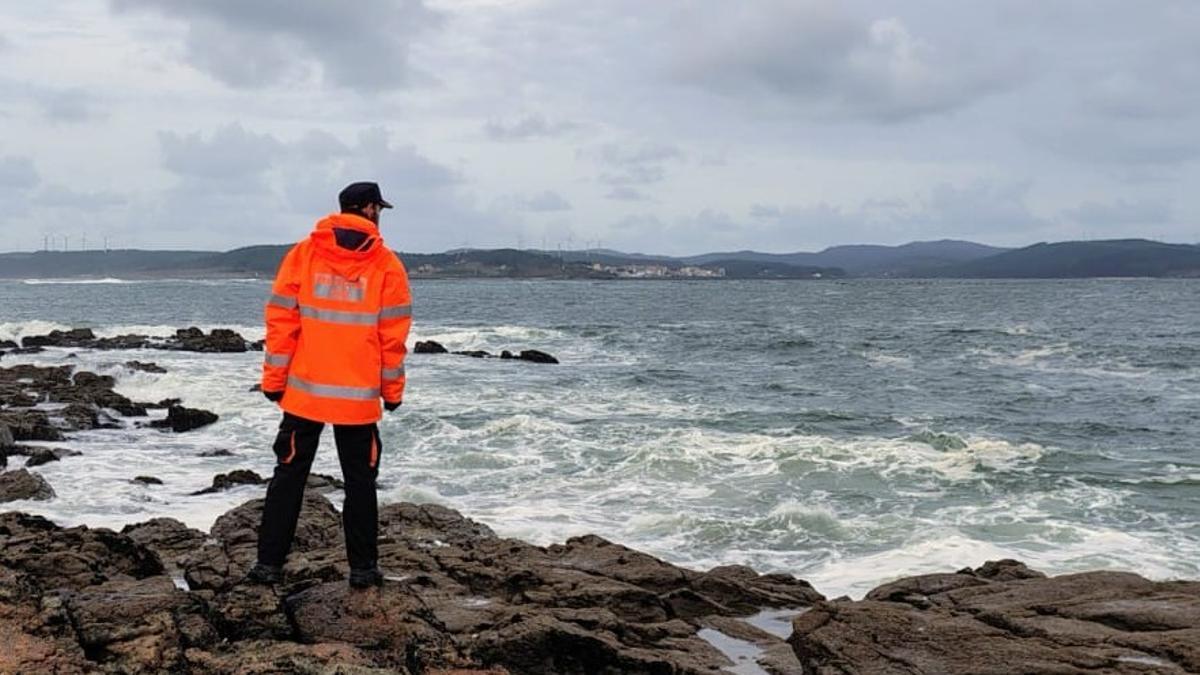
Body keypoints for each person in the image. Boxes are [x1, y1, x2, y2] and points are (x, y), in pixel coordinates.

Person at [247, 181, 412, 589]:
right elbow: (393, 339)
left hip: (304, 394)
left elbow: (282, 323)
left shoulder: (302, 255)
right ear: (370, 209)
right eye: (380, 209)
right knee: (359, 482)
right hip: (356, 400)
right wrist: (392, 393)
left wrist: (274, 381)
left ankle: (268, 566)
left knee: (288, 477)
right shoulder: (387, 265)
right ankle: (363, 570)